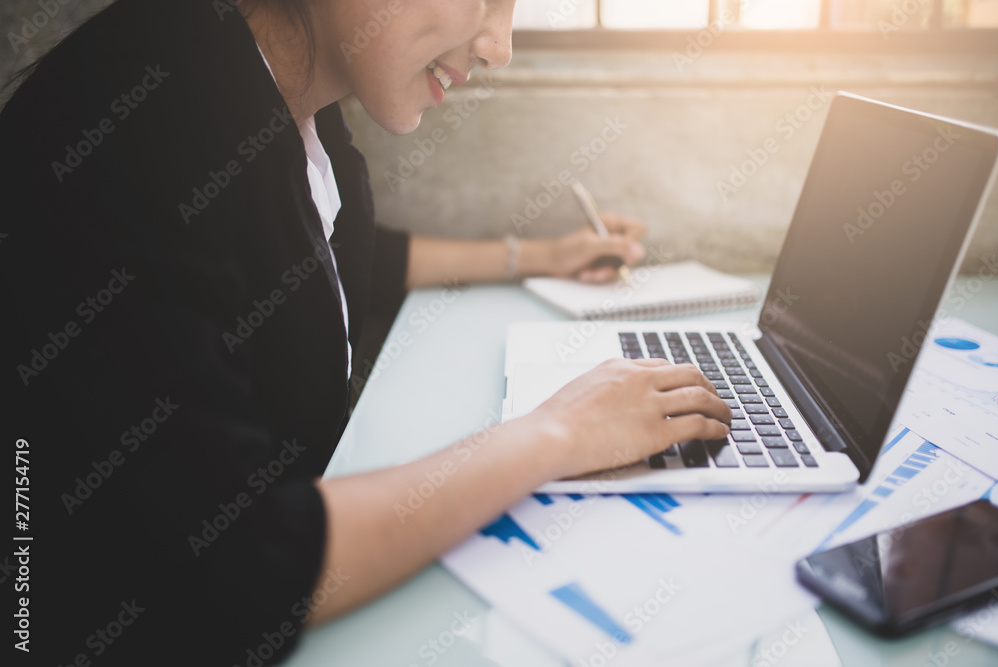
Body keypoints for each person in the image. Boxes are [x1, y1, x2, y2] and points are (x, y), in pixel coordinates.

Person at [0, 0, 730, 663]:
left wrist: (540, 256)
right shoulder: (136, 122)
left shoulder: (279, 100)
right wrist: (554, 435)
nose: (500, 46)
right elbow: (234, 565)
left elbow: (332, 254)